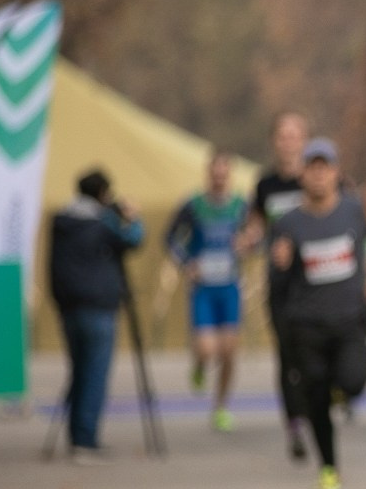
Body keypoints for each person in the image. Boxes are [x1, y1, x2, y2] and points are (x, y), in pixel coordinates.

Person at [266, 139, 366, 489]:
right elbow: (276, 282)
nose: (318, 174)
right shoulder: (288, 222)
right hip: (307, 325)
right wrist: (280, 265)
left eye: (325, 167)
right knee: (315, 398)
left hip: (351, 321)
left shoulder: (354, 211)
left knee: (354, 381)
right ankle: (329, 468)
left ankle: (340, 392)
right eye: (312, 167)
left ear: (335, 172)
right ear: (302, 174)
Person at [49, 169, 143, 462]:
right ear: (103, 193)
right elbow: (134, 239)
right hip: (99, 308)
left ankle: (77, 434)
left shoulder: (62, 222)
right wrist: (132, 217)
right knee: (95, 375)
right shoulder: (103, 223)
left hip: (68, 308)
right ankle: (85, 440)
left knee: (78, 371)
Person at [165, 151, 248, 432]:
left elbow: (257, 237)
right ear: (208, 173)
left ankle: (221, 406)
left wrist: (246, 244)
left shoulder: (241, 205)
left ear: (230, 174)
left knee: (229, 351)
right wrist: (187, 263)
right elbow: (171, 238)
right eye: (215, 172)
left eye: (225, 173)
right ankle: (199, 365)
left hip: (229, 286)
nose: (220, 177)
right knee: (207, 348)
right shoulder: (193, 204)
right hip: (203, 288)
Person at [248, 110, 311, 461]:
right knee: (287, 356)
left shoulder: (318, 178)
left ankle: (322, 401)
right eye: (282, 136)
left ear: (304, 140)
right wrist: (250, 239)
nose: (288, 142)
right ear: (274, 141)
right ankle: (295, 425)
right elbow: (255, 225)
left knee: (314, 352)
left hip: (317, 284)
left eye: (295, 135)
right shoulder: (265, 184)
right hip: (281, 284)